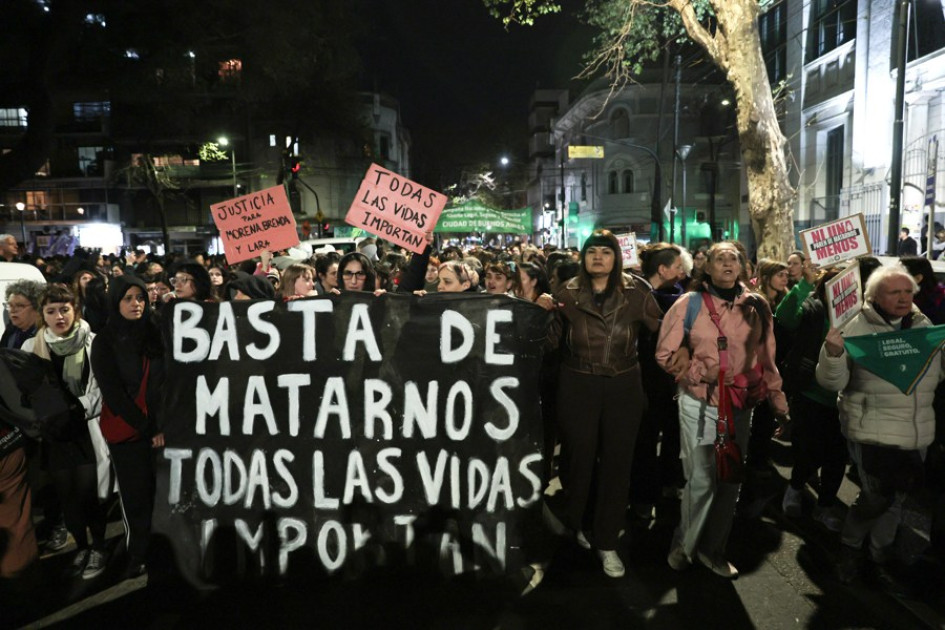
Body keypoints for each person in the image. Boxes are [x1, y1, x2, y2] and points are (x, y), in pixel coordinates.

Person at [656, 242, 788, 579]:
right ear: (708, 268)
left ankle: (712, 550)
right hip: (699, 401)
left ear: (743, 267)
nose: (727, 263)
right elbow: (664, 354)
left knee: (730, 481)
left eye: (734, 258)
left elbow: (768, 357)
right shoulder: (689, 304)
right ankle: (682, 546)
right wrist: (702, 373)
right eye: (720, 259)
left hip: (741, 406)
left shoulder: (757, 305)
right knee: (701, 481)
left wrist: (778, 402)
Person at [816, 265, 944, 586]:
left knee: (897, 497)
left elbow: (935, 374)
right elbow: (833, 382)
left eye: (907, 292)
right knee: (877, 496)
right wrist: (832, 354)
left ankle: (880, 551)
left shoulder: (921, 325)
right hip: (871, 430)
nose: (903, 298)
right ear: (872, 296)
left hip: (916, 431)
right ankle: (851, 546)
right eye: (894, 292)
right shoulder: (852, 327)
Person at [546, 229, 662, 578]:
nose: (598, 257)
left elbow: (664, 332)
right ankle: (575, 527)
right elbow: (549, 344)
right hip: (577, 383)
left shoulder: (637, 291)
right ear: (583, 257)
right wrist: (540, 313)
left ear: (616, 257)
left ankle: (607, 541)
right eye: (592, 251)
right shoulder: (565, 292)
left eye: (606, 252)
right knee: (578, 460)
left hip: (623, 385)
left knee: (617, 463)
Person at [23, 285, 109, 580]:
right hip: (54, 435)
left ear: (76, 310)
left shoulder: (94, 343)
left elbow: (100, 388)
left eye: (64, 309)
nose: (59, 316)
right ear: (42, 314)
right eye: (51, 311)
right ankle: (82, 547)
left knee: (89, 495)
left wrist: (78, 407)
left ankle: (99, 546)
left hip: (86, 428)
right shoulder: (31, 348)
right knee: (67, 497)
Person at [90, 276, 165, 579]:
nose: (136, 304)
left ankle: (164, 550)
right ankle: (139, 553)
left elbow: (168, 381)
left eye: (141, 298)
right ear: (116, 302)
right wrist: (148, 429)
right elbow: (113, 393)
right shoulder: (105, 341)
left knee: (162, 494)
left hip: (162, 430)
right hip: (132, 434)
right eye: (129, 298)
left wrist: (163, 426)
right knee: (136, 497)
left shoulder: (156, 332)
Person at [775, 261, 846, 532]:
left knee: (837, 456)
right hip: (811, 391)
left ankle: (825, 505)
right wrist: (804, 282)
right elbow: (785, 317)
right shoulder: (813, 306)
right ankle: (795, 487)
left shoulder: (860, 314)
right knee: (807, 448)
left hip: (844, 397)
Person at [1, 280, 43, 349]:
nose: (13, 310)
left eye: (20, 306)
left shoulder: (44, 334)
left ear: (37, 308)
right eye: (10, 305)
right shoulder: (10, 331)